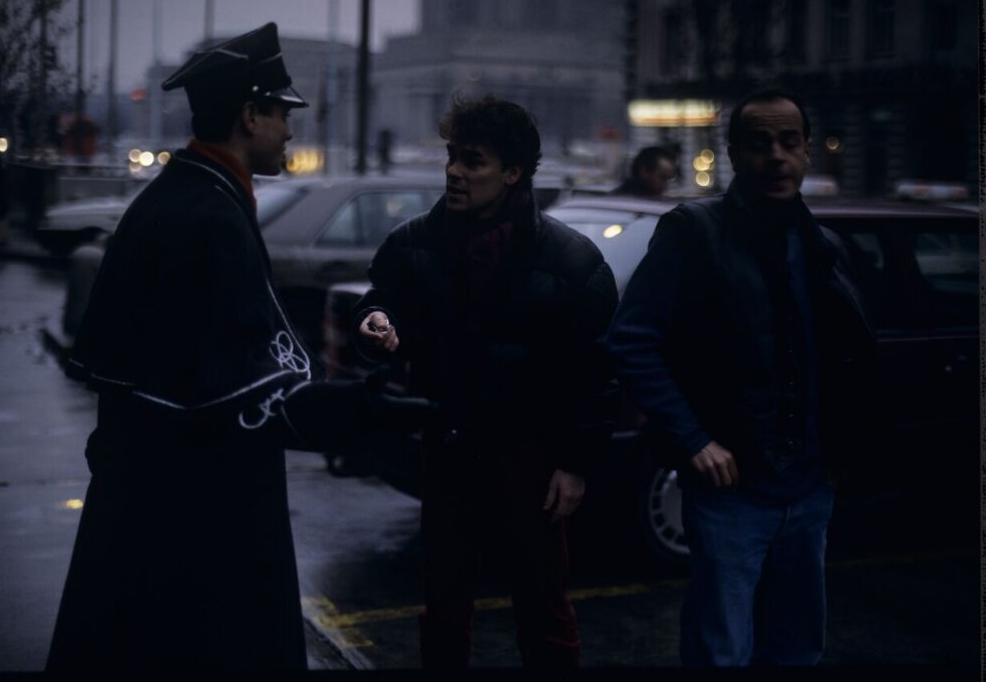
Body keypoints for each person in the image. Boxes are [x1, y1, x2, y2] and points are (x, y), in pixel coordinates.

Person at [47, 22, 384, 671]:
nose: (291, 130)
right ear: (249, 114)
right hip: (197, 515)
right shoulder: (208, 216)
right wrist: (367, 408)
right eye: (282, 113)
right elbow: (243, 389)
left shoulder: (184, 196)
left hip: (147, 503)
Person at [606, 88, 874, 666]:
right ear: (733, 154)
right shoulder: (695, 232)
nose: (775, 156)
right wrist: (695, 439)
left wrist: (839, 452)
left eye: (788, 142)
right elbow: (631, 340)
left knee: (796, 648)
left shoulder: (824, 246)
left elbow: (846, 356)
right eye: (758, 144)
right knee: (721, 651)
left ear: (807, 153)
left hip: (808, 489)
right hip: (732, 494)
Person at [352, 95, 619, 669]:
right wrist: (373, 324)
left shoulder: (569, 260)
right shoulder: (415, 244)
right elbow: (380, 303)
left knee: (543, 608)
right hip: (449, 451)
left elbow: (594, 371)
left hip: (533, 460)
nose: (453, 171)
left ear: (513, 171)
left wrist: (575, 464)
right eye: (451, 157)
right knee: (443, 607)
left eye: (471, 161)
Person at [613, 145, 677, 197]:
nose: (666, 185)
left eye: (669, 178)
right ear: (646, 171)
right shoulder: (626, 199)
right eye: (662, 178)